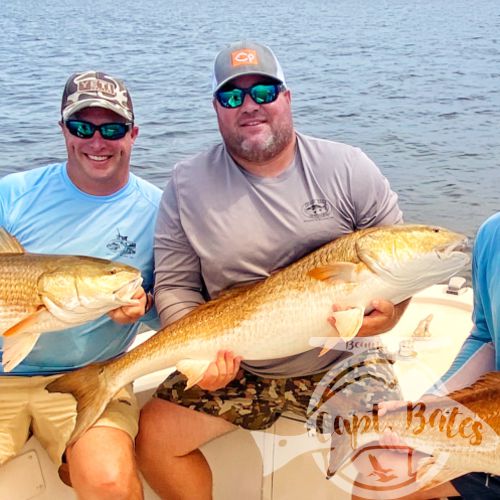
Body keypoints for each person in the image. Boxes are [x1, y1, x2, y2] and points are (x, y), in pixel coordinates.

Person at [136, 40, 408, 499]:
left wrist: (392, 312)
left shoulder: (348, 168)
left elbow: (397, 268)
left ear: (287, 97)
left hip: (345, 359)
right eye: (232, 96)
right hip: (242, 365)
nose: (249, 106)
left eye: (263, 92)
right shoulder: (186, 184)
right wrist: (202, 361)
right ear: (216, 108)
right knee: (153, 441)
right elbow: (177, 285)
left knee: (401, 462)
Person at [0, 71, 162, 500]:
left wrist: (143, 306)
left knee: (109, 479)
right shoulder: (12, 195)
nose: (97, 141)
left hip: (94, 376)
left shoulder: (160, 211)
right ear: (63, 130)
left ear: (133, 133)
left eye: (112, 129)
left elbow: (174, 308)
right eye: (81, 127)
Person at [353, 212, 500, 500]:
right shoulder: (492, 235)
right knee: (377, 479)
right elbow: (486, 336)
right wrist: (428, 407)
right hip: (490, 433)